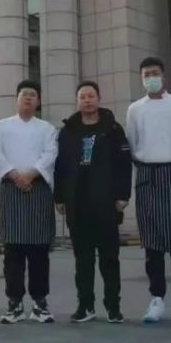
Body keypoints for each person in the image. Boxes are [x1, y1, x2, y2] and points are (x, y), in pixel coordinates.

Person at [125, 57, 171, 324]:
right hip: (148, 175)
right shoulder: (135, 109)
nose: (151, 78)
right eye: (146, 74)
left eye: (155, 73)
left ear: (164, 76)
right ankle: (156, 298)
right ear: (141, 79)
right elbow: (132, 144)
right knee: (152, 243)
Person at [54, 81, 132, 324]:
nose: (87, 100)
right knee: (83, 259)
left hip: (106, 201)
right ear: (77, 101)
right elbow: (60, 166)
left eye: (91, 96)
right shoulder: (68, 131)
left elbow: (124, 163)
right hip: (77, 202)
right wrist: (59, 197)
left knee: (110, 258)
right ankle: (85, 305)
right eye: (83, 96)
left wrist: (123, 195)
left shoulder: (113, 128)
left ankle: (113, 306)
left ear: (98, 98)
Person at [0, 80, 58, 324]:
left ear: (38, 101)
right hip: (11, 188)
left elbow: (50, 154)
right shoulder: (1, 127)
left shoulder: (47, 128)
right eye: (24, 94)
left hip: (38, 188)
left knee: (39, 251)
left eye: (32, 95)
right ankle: (14, 303)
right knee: (13, 251)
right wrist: (14, 174)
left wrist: (31, 174)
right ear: (16, 99)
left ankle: (40, 302)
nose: (28, 98)